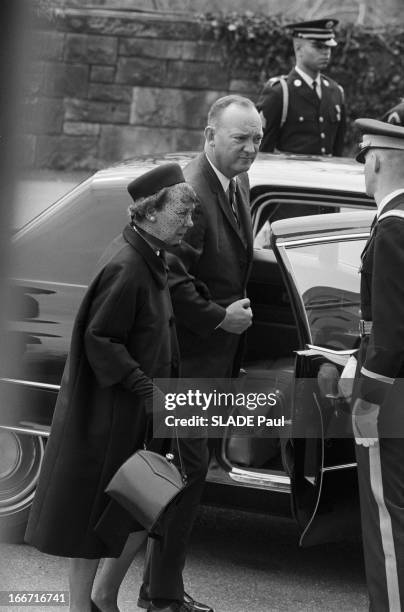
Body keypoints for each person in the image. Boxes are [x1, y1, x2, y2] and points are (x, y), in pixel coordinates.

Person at [92, 95, 263, 612]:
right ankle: (134, 593)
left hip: (212, 369)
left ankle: (158, 590)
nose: (251, 148)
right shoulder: (188, 191)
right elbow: (175, 278)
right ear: (209, 136)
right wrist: (220, 318)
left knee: (180, 483)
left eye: (257, 138)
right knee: (171, 483)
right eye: (241, 138)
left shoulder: (236, 183)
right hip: (185, 366)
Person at [24, 163, 197, 612]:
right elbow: (100, 338)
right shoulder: (128, 265)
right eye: (183, 213)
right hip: (108, 416)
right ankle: (85, 606)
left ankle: (102, 599)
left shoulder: (152, 255)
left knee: (131, 507)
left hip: (130, 414)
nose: (190, 223)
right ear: (150, 212)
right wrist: (145, 388)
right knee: (91, 519)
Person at [352, 118, 404, 611]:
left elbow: (388, 339)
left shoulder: (392, 228)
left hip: (391, 398)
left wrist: (365, 399)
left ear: (376, 160)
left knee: (386, 520)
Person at [257, 18, 346, 156]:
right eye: (318, 46)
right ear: (298, 48)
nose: (326, 52)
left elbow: (337, 150)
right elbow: (262, 149)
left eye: (328, 46)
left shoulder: (336, 91)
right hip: (290, 175)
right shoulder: (280, 92)